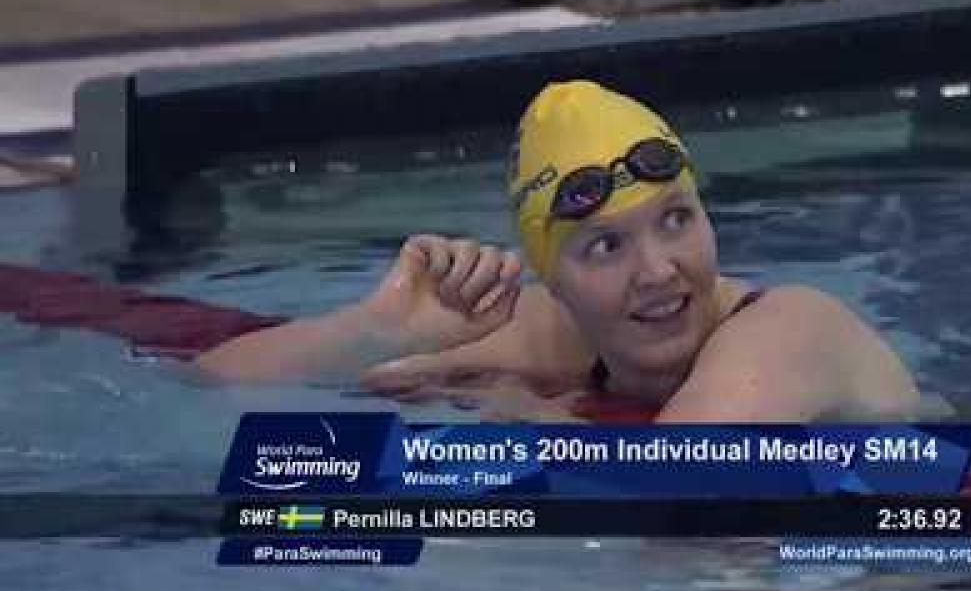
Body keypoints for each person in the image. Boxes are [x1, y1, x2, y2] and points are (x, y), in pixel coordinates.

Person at [195, 80, 922, 422]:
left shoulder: (789, 329)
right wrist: (381, 330)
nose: (658, 270)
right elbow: (216, 379)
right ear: (554, 277)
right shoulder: (553, 330)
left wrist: (535, 425)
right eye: (606, 244)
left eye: (675, 219)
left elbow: (677, 484)